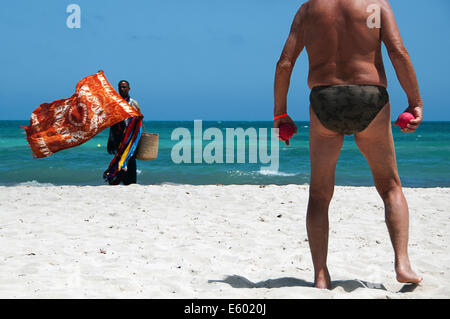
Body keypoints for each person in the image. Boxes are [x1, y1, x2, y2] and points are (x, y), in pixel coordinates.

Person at [273, 0, 423, 289]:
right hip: (369, 96)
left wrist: (281, 112)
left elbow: (285, 63)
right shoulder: (374, 7)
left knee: (319, 194)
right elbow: (397, 52)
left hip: (324, 100)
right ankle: (402, 263)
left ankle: (320, 275)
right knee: (390, 187)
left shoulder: (309, 10)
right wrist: (414, 101)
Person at [107, 80, 142, 185]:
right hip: (118, 136)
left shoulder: (133, 103)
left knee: (130, 158)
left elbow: (139, 120)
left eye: (124, 87)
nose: (122, 89)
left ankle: (131, 181)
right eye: (120, 87)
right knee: (119, 158)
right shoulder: (114, 103)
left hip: (130, 137)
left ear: (129, 89)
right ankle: (118, 179)